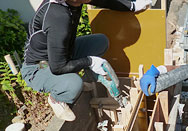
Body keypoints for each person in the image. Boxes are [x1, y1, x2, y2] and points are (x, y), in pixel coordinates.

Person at [21, 0, 152, 121]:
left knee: (101, 42)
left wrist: (132, 6)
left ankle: (80, 77)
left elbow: (104, 0)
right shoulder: (58, 17)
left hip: (63, 53)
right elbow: (58, 67)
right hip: (40, 68)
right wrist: (90, 62)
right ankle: (57, 98)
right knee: (74, 84)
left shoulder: (71, 1)